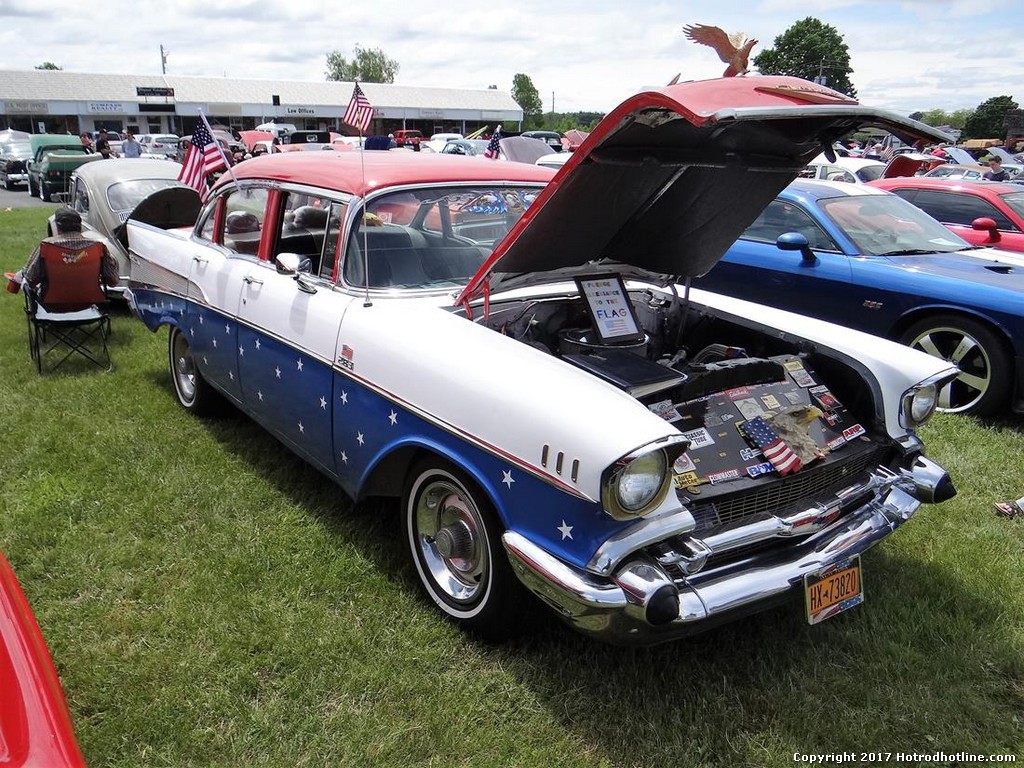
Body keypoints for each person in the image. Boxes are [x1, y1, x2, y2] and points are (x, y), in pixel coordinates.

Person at [19, 208, 119, 297]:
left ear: (58, 227)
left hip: (52, 304)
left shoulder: (46, 247)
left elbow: (30, 279)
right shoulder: (97, 247)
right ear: (80, 226)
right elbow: (113, 280)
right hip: (89, 303)